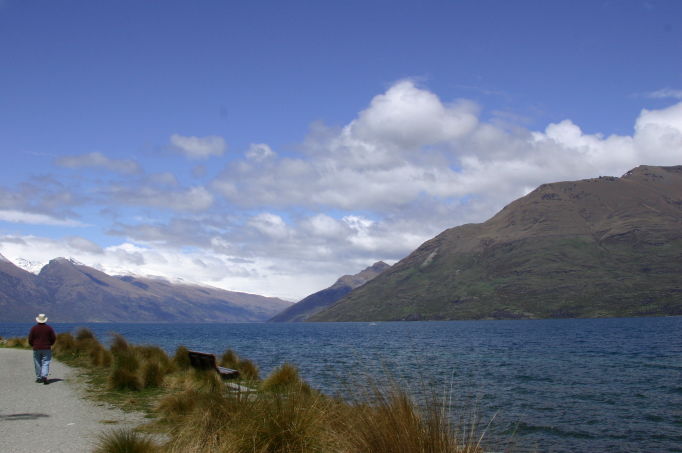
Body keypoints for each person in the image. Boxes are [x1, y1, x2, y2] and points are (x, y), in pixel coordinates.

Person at [28, 313, 56, 384]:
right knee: (46, 362)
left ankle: (39, 377)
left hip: (36, 348)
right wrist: (50, 344)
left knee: (37, 362)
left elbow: (30, 338)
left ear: (38, 320)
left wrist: (32, 345)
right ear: (45, 320)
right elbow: (53, 338)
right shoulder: (49, 328)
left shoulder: (34, 328)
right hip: (46, 348)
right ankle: (44, 376)